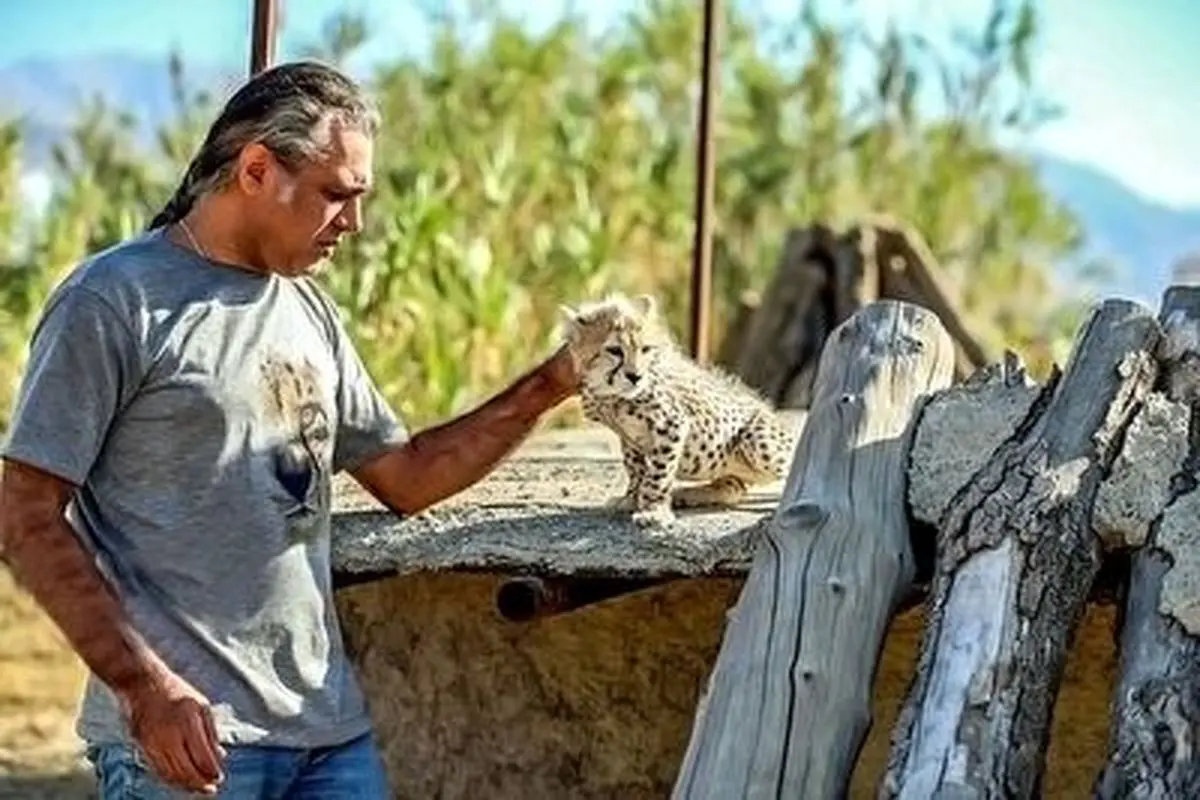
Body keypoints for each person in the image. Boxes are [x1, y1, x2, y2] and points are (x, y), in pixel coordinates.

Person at [0, 60, 578, 798]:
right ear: (256, 169)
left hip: (327, 735)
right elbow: (25, 516)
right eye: (337, 195)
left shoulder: (306, 311)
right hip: (193, 744)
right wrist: (145, 689)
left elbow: (407, 475)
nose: (355, 223)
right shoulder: (114, 301)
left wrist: (547, 387)